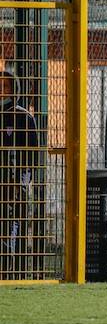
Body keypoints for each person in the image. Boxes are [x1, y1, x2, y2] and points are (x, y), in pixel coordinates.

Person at [0, 70, 39, 277]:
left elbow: (32, 156)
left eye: (5, 87)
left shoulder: (23, 117)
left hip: (14, 184)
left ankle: (12, 271)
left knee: (13, 225)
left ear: (14, 91)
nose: (1, 92)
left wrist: (22, 182)